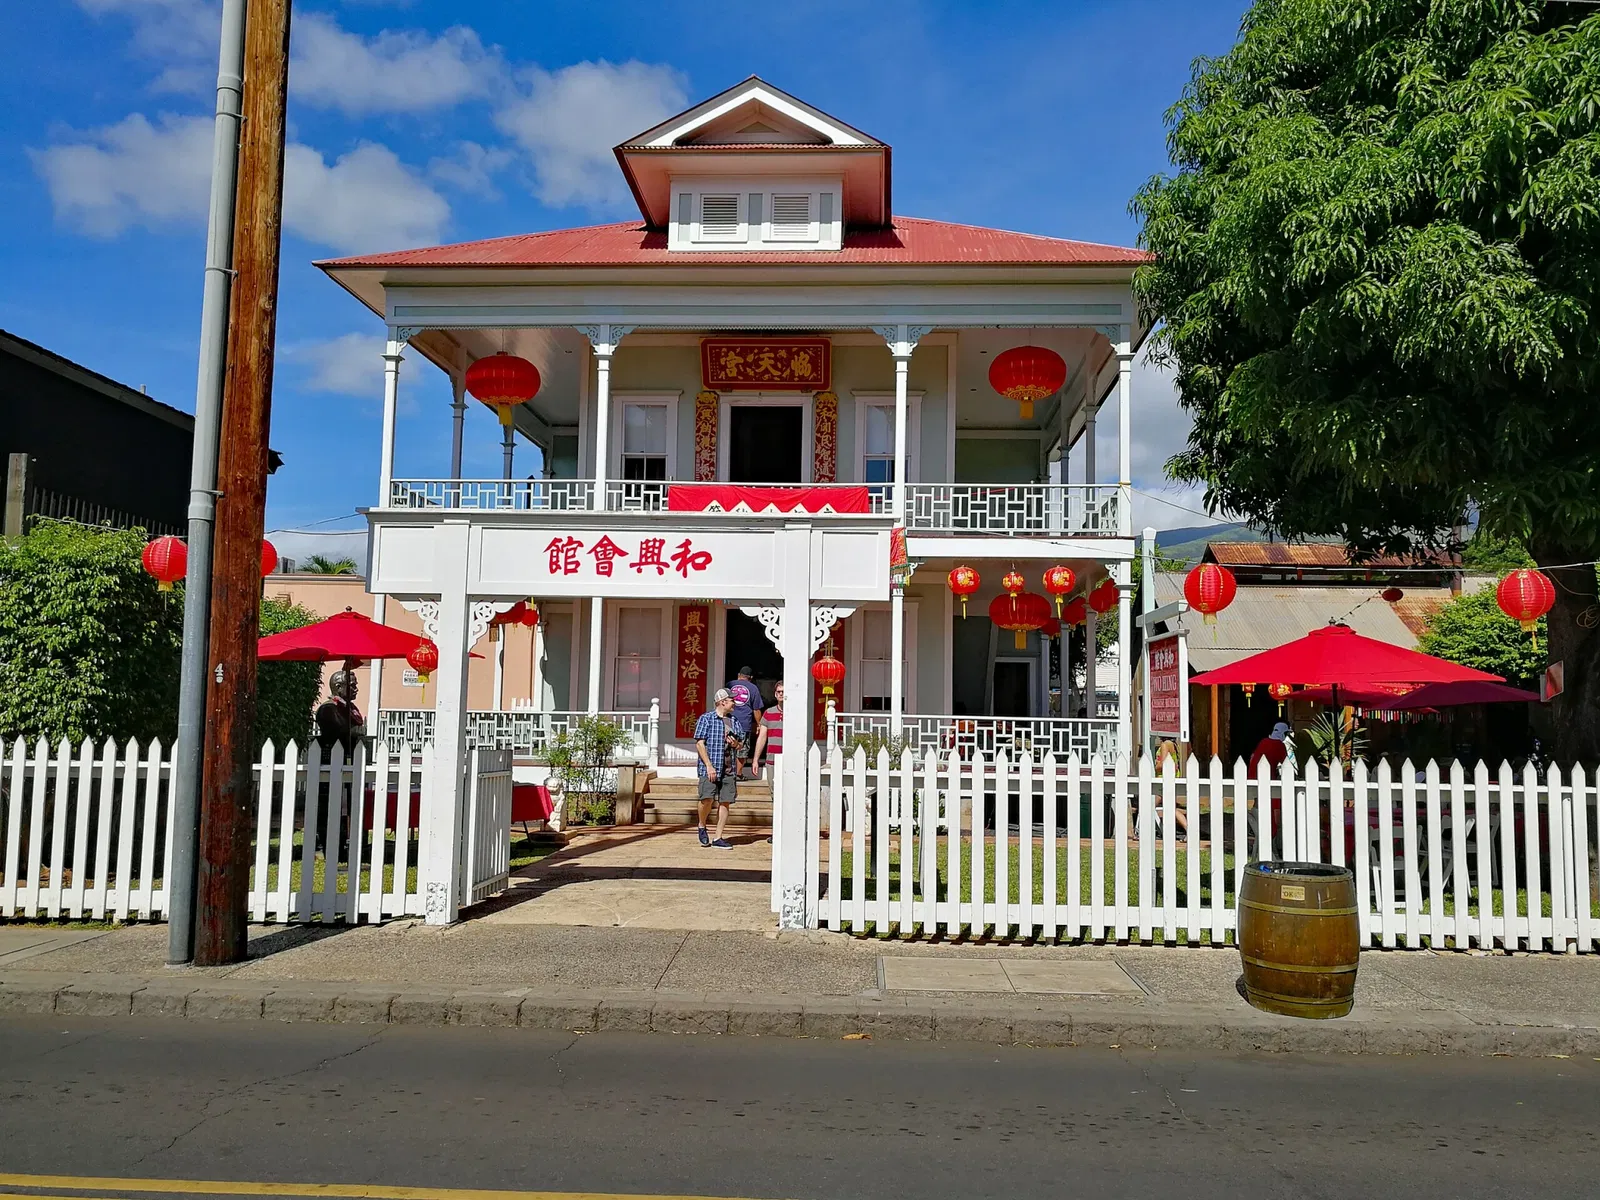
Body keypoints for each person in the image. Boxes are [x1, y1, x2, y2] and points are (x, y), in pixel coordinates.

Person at [694, 688, 741, 849]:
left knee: (725, 802)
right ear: (723, 702)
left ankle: (718, 837)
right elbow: (700, 743)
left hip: (728, 768)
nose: (734, 703)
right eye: (732, 700)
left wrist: (735, 744)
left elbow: (740, 744)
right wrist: (708, 765)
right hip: (710, 767)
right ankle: (701, 825)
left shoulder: (734, 721)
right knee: (706, 799)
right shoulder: (706, 719)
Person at [724, 665, 764, 780]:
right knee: (742, 749)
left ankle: (727, 772)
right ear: (750, 677)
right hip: (744, 723)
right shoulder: (753, 688)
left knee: (727, 747)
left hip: (728, 722)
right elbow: (756, 709)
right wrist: (759, 724)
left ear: (738, 675)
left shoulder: (729, 685)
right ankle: (738, 774)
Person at [753, 680, 784, 775]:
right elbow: (762, 737)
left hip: (790, 761)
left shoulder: (794, 713)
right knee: (772, 789)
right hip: (772, 760)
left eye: (784, 692)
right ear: (775, 694)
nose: (781, 694)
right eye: (779, 692)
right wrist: (755, 760)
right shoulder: (768, 713)